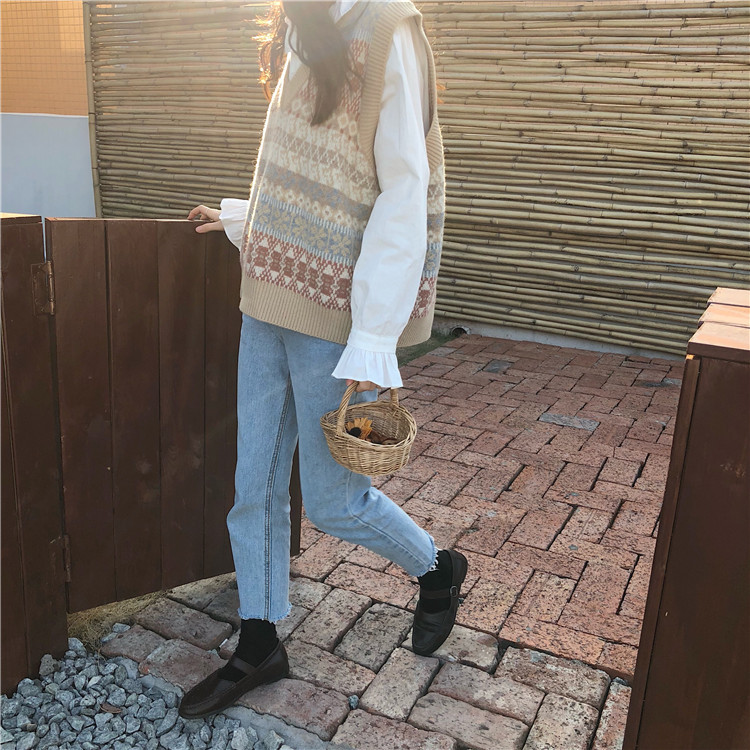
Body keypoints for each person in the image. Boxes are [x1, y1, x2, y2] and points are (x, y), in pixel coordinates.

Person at [178, 0, 467, 719]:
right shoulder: (299, 20)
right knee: (253, 490)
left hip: (333, 322)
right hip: (265, 302)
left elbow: (403, 191)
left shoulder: (388, 28)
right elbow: (305, 165)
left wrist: (374, 336)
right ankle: (258, 643)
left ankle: (437, 568)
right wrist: (243, 218)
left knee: (337, 503)